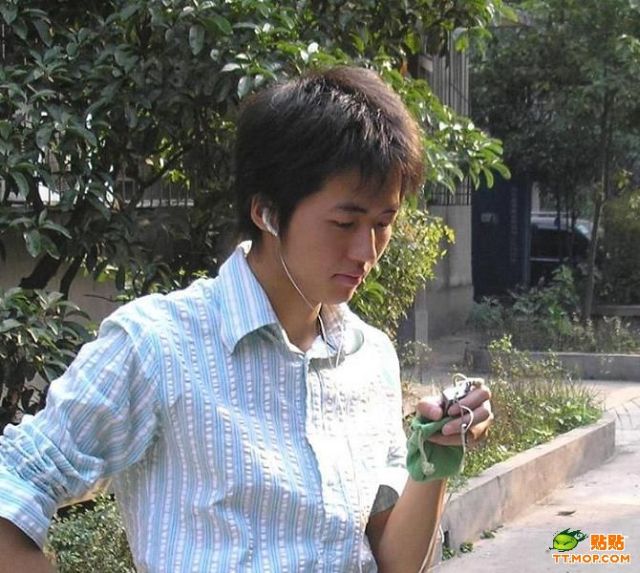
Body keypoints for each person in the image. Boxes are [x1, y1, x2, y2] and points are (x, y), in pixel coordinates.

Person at [0, 66, 492, 572]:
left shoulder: (370, 359)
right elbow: (12, 481)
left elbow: (392, 560)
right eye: (345, 223)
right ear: (267, 213)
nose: (366, 251)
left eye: (383, 223)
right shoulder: (158, 346)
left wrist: (433, 461)